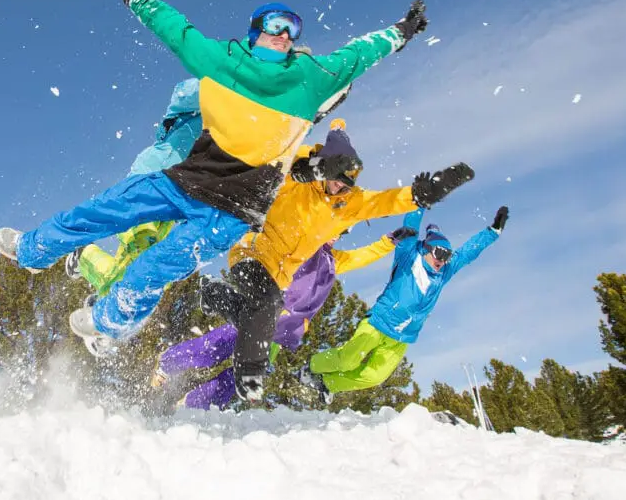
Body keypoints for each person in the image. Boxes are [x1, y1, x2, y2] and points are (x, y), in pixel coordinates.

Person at [0, 0, 429, 401]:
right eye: (275, 25)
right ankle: (33, 249)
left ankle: (109, 320)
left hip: (231, 213)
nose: (284, 34)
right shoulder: (223, 61)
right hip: (183, 181)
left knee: (156, 267)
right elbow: (175, 29)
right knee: (104, 210)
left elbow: (362, 53)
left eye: (292, 28)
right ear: (255, 31)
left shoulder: (311, 78)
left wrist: (403, 31)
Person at [199, 119, 475, 400]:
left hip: (280, 274)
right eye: (334, 180)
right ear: (324, 169)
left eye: (345, 185)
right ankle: (248, 373)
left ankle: (214, 295)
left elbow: (385, 202)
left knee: (263, 313)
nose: (338, 189)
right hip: (252, 250)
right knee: (266, 307)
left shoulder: (349, 205)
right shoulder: (298, 180)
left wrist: (420, 195)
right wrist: (305, 168)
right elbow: (272, 166)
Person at [153, 226, 413, 411]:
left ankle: (193, 406)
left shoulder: (334, 260)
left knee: (243, 376)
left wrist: (388, 242)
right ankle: (167, 364)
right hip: (264, 315)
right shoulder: (301, 245)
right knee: (218, 346)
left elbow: (361, 257)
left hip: (284, 332)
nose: (336, 235)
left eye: (342, 232)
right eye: (334, 228)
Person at [299, 206, 509, 403]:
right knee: (347, 360)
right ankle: (311, 366)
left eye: (447, 256)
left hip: (402, 337)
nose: (443, 260)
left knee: (374, 376)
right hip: (378, 323)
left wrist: (492, 232)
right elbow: (410, 228)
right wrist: (420, 204)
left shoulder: (444, 272)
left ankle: (327, 384)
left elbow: (467, 252)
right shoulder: (409, 255)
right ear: (426, 249)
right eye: (439, 253)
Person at [67, 78, 203, 296]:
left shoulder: (231, 131)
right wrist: (219, 86)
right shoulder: (204, 105)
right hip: (148, 184)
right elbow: (182, 94)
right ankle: (110, 296)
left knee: (155, 269)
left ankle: (91, 266)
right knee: (142, 253)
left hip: (173, 205)